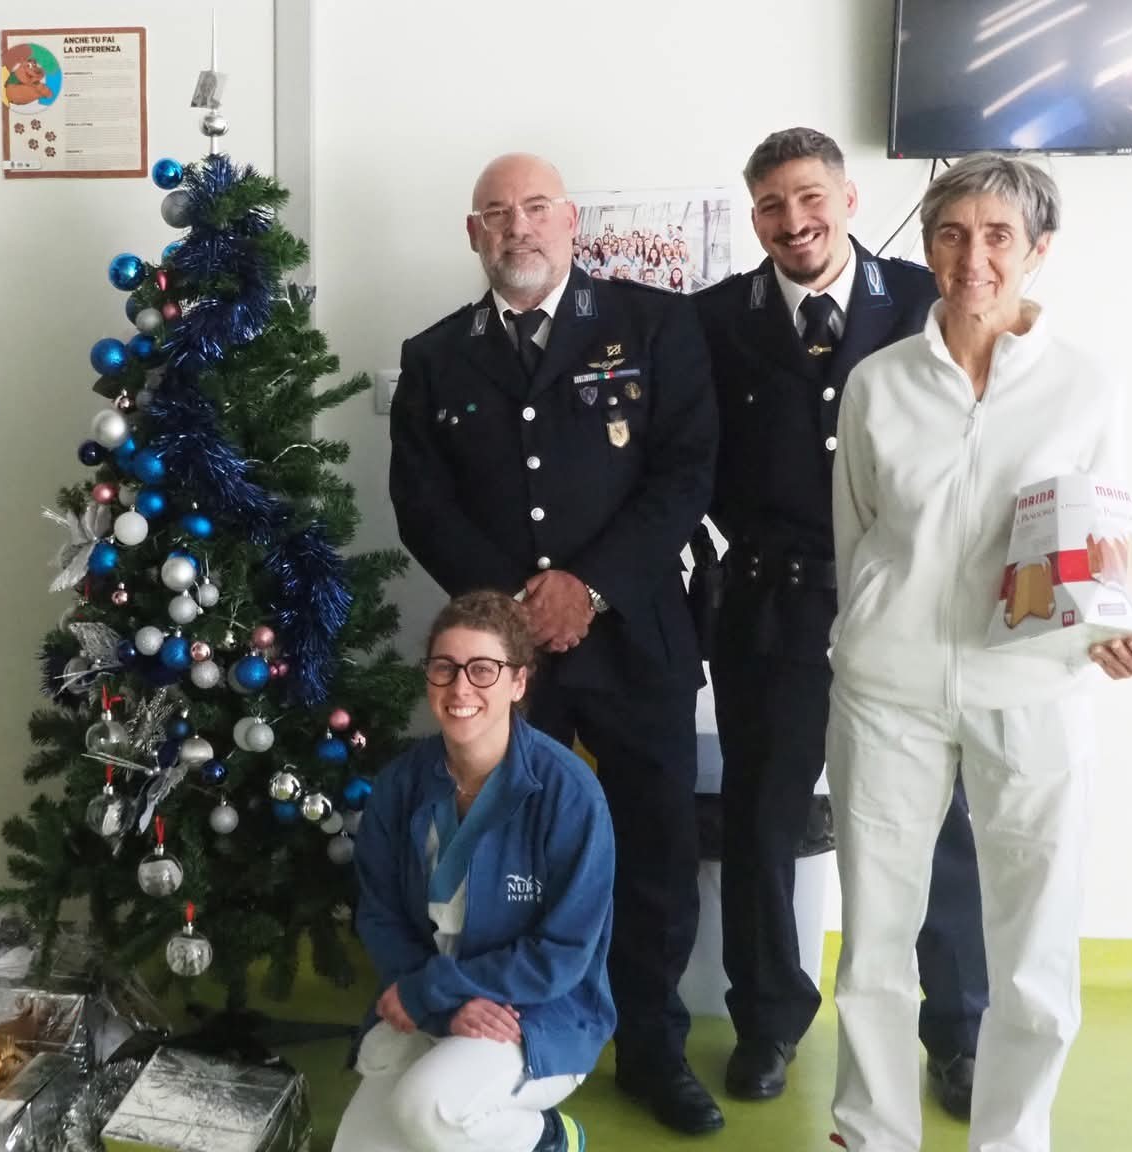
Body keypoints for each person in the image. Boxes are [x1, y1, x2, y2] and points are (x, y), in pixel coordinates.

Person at [827, 152, 1132, 1152]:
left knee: (1031, 941)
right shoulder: (875, 383)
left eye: (994, 237)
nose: (970, 257)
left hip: (1030, 687)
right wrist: (866, 636)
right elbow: (855, 539)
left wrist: (1113, 629)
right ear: (924, 246)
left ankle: (1011, 1137)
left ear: (1035, 252)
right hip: (886, 690)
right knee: (875, 942)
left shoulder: (1083, 386)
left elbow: (1105, 535)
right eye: (948, 233)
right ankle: (870, 1131)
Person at [389, 152, 723, 1134]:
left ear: (570, 221)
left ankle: (652, 1053)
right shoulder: (434, 354)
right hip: (501, 666)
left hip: (634, 642)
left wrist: (588, 585)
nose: (516, 227)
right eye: (495, 213)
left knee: (653, 852)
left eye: (535, 209)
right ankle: (508, 1038)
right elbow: (421, 504)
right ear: (472, 234)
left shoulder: (653, 325)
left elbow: (685, 472)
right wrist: (508, 613)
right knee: (499, 861)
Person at [692, 127, 987, 1112]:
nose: (793, 221)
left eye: (808, 197)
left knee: (933, 820)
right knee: (761, 821)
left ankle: (955, 1031)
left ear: (848, 199)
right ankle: (767, 1020)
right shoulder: (713, 321)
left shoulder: (918, 300)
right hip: (768, 609)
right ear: (753, 219)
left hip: (902, 604)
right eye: (771, 205)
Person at [337, 591, 612, 1152]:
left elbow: (561, 954)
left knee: (429, 1111)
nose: (461, 688)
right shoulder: (400, 783)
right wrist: (439, 998)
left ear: (518, 682)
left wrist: (434, 988)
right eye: (445, 668)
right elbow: (381, 914)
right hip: (432, 995)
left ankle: (548, 1139)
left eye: (483, 670)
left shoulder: (569, 794)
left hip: (533, 1013)